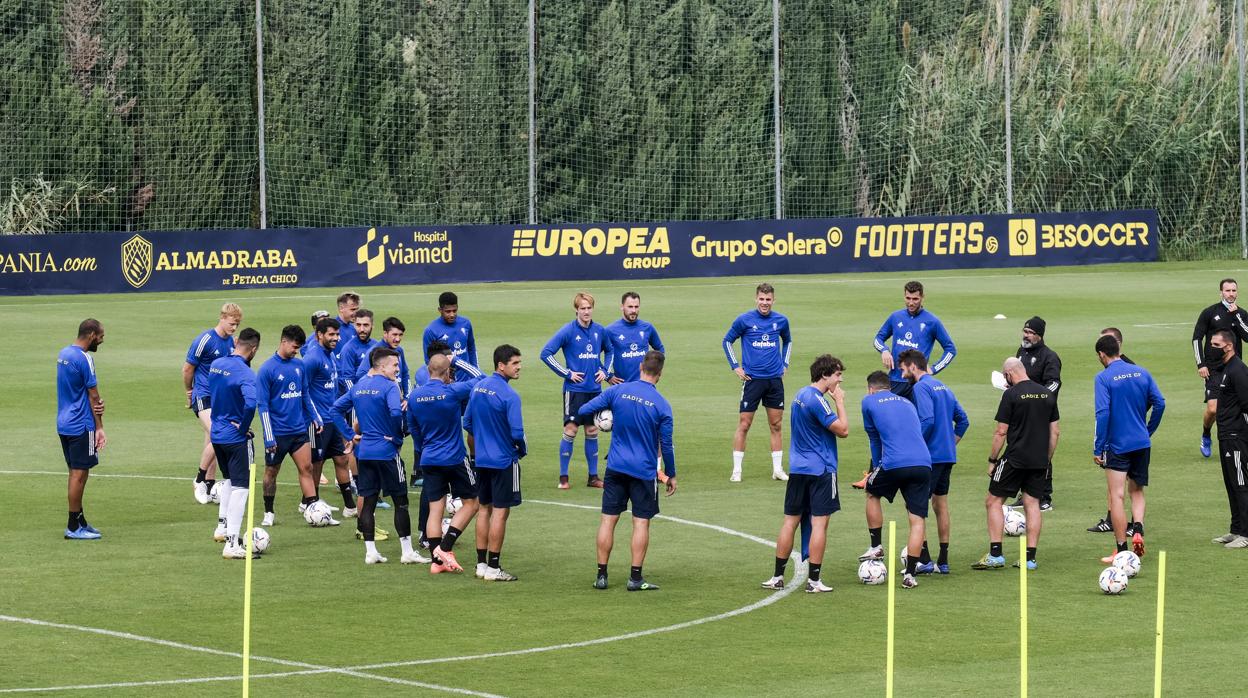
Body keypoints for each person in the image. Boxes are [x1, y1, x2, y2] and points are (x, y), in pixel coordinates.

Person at [578, 351, 677, 591]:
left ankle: (601, 576)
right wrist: (670, 474)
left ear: (641, 366)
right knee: (641, 523)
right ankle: (635, 578)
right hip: (643, 472)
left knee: (608, 520)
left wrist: (607, 419)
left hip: (616, 466)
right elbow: (666, 445)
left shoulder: (616, 391)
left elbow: (583, 411)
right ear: (660, 375)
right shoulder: (663, 406)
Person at [760, 355, 847, 594]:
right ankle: (814, 581)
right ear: (825, 375)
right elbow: (843, 430)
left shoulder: (800, 395)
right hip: (821, 469)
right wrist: (839, 401)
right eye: (837, 375)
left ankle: (777, 576)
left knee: (790, 521)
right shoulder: (818, 400)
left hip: (799, 468)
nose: (840, 380)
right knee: (819, 524)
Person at [330, 347, 415, 565]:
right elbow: (396, 413)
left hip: (364, 452)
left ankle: (371, 552)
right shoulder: (390, 386)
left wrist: (351, 435)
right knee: (400, 502)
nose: (398, 369)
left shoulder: (359, 387)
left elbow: (335, 411)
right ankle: (407, 552)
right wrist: (397, 438)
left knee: (367, 502)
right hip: (386, 452)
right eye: (395, 365)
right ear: (382, 365)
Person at [973, 358, 1059, 571]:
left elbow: (1001, 431)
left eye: (1005, 376)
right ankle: (1029, 559)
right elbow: (1055, 432)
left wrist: (993, 460)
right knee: (1032, 505)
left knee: (993, 501)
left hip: (1014, 459)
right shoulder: (1047, 394)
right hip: (1039, 460)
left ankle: (996, 554)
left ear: (1010, 374)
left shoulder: (1010, 395)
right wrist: (1046, 459)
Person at [408, 354, 487, 573]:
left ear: (428, 369)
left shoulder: (415, 396)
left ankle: (437, 564)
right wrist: (458, 361)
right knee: (472, 502)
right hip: (454, 457)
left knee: (436, 509)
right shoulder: (451, 391)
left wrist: (423, 449)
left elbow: (413, 429)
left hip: (429, 458)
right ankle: (445, 547)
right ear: (447, 372)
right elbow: (482, 377)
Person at [1093, 334, 1165, 563]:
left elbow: (1103, 413)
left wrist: (1099, 446)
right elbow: (1160, 403)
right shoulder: (1142, 371)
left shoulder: (1103, 378)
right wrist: (1148, 430)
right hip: (1141, 442)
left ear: (1102, 355)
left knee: (1117, 495)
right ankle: (1139, 531)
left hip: (1118, 444)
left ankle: (1122, 548)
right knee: (1137, 491)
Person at [859, 370, 932, 589]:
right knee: (917, 520)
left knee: (872, 492)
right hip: (923, 464)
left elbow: (874, 439)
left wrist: (874, 469)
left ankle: (876, 545)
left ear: (871, 388)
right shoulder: (907, 403)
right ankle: (910, 575)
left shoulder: (868, 401)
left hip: (894, 463)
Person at [899, 349, 968, 575]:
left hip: (930, 457)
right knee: (941, 505)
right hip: (947, 456)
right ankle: (944, 560)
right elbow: (963, 421)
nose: (901, 375)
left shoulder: (920, 387)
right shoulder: (943, 387)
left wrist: (916, 446)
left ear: (912, 366)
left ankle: (925, 560)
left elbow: (927, 420)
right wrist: (949, 442)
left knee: (916, 506)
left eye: (902, 369)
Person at [256, 325, 331, 530]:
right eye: (294, 346)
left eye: (298, 347)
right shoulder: (267, 369)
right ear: (284, 342)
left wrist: (315, 417)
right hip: (278, 433)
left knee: (306, 468)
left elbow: (305, 395)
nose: (296, 350)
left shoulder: (299, 366)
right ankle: (269, 512)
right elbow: (262, 406)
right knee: (271, 472)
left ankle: (314, 510)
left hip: (299, 430)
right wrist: (268, 437)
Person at [465, 345, 528, 580]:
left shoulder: (478, 387)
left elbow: (468, 423)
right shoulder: (510, 395)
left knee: (484, 510)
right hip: (503, 461)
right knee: (500, 513)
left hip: (482, 460)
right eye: (514, 363)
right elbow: (517, 433)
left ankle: (481, 565)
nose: (519, 367)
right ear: (501, 365)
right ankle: (494, 568)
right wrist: (521, 450)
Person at [541, 292, 613, 489]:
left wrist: (605, 372)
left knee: (592, 430)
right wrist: (567, 373)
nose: (586, 311)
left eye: (589, 308)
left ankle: (593, 477)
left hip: (595, 391)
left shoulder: (600, 330)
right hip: (574, 391)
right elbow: (546, 354)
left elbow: (610, 350)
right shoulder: (567, 331)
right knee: (570, 430)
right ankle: (563, 478)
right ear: (576, 310)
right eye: (583, 308)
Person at [723, 282, 793, 483]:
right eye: (761, 299)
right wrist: (735, 366)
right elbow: (727, 341)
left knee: (776, 424)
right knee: (744, 424)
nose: (764, 303)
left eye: (768, 299)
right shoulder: (744, 320)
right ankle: (737, 470)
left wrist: (785, 363)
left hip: (774, 380)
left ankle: (777, 469)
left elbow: (787, 341)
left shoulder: (781, 320)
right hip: (752, 380)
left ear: (773, 300)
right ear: (756, 299)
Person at [208, 328, 262, 559]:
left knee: (229, 481)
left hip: (216, 434)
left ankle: (222, 528)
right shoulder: (247, 373)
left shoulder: (216, 364)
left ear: (237, 341)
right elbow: (251, 404)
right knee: (242, 488)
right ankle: (232, 544)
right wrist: (242, 426)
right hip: (235, 438)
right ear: (254, 349)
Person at [183, 303, 242, 504]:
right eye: (232, 323)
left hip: (220, 398)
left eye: (237, 324)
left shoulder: (231, 343)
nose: (234, 328)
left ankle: (209, 484)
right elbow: (187, 368)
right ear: (223, 317)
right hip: (203, 396)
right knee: (219, 435)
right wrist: (189, 391)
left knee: (211, 438)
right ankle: (199, 479)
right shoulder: (205, 340)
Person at [303, 317, 357, 518]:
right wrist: (314, 416)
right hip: (318, 421)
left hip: (333, 418)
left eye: (337, 334)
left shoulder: (331, 355)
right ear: (320, 335)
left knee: (342, 459)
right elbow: (304, 389)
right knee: (316, 463)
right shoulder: (312, 358)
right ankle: (311, 503)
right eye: (331, 335)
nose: (336, 338)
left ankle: (350, 507)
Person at [58, 319, 107, 540]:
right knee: (79, 474)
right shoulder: (85, 358)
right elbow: (94, 396)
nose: (102, 340)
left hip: (64, 422)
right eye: (100, 336)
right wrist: (100, 427)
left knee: (75, 472)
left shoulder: (64, 354)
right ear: (90, 334)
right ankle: (73, 526)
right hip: (81, 424)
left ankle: (80, 519)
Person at [872, 281, 956, 400]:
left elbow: (950, 350)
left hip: (918, 383)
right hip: (895, 380)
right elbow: (878, 339)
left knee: (920, 417)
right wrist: (884, 350)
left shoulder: (932, 321)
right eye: (908, 298)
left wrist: (933, 369)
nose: (911, 303)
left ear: (922, 297)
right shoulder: (895, 317)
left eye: (915, 299)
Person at [1192, 279, 1248, 458]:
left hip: (1235, 370)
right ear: (1221, 293)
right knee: (1213, 409)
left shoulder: (1241, 314)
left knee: (1240, 408)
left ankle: (1236, 441)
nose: (1231, 294)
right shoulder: (1210, 313)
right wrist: (1201, 364)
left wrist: (1237, 316)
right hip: (1214, 369)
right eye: (1227, 290)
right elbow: (1196, 339)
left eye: (1233, 290)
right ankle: (1206, 433)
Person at [1087, 327, 1135, 533]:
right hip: (1130, 432)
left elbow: (1105, 412)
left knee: (1124, 482)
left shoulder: (1121, 370)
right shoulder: (1130, 368)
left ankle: (1125, 524)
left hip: (1119, 435)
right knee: (1121, 482)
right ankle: (1118, 520)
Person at [1011, 316, 1061, 511]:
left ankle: (1044, 496)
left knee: (1042, 452)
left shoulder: (1049, 356)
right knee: (1020, 449)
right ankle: (1025, 495)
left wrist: (1038, 396)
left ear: (1040, 336)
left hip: (1042, 411)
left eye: (1031, 333)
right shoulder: (1020, 352)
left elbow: (1054, 382)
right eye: (1025, 331)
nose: (1027, 336)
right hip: (1021, 410)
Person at [1210, 331, 1248, 548]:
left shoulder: (1238, 370)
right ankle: (1236, 529)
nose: (1211, 347)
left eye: (1215, 344)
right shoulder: (1225, 369)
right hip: (1225, 436)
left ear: (1229, 346)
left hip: (1236, 438)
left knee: (1241, 484)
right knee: (1231, 484)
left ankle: (1246, 533)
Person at [605, 292, 665, 384]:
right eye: (630, 307)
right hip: (621, 386)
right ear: (622, 307)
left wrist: (655, 371)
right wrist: (608, 376)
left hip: (644, 385)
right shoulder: (611, 330)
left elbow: (660, 349)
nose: (633, 310)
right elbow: (594, 354)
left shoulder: (647, 327)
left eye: (636, 307)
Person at [422, 291, 479, 384]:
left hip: (467, 381)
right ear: (440, 310)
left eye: (454, 310)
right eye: (448, 311)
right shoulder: (431, 330)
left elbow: (471, 348)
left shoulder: (466, 323)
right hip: (447, 385)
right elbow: (429, 361)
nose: (452, 315)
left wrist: (475, 371)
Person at [339, 309, 382, 393]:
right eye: (358, 325)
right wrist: (357, 397)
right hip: (360, 396)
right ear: (354, 325)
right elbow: (347, 380)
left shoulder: (377, 345)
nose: (362, 329)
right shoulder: (348, 349)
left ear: (372, 325)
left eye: (365, 325)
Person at [369, 316, 410, 392]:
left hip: (397, 396)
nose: (398, 339)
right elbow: (362, 375)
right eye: (394, 335)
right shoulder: (375, 351)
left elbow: (405, 374)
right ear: (385, 333)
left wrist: (407, 397)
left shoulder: (399, 350)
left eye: (400, 335)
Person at [332, 292, 361, 389]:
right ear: (341, 308)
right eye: (352, 309)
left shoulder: (354, 329)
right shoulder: (331, 327)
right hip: (337, 382)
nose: (356, 313)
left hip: (352, 379)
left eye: (357, 309)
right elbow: (306, 347)